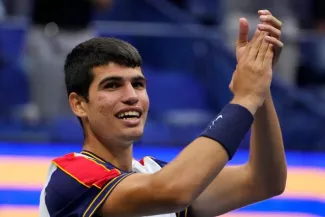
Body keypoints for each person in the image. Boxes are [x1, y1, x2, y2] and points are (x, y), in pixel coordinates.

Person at [39, 10, 287, 217]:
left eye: (138, 84)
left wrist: (260, 84)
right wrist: (245, 98)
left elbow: (264, 181)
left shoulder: (154, 173)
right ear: (79, 104)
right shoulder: (71, 177)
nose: (131, 96)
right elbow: (173, 191)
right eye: (112, 85)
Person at [23, 0, 112, 123]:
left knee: (80, 107)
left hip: (81, 36)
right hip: (44, 36)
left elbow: (104, 4)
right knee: (44, 108)